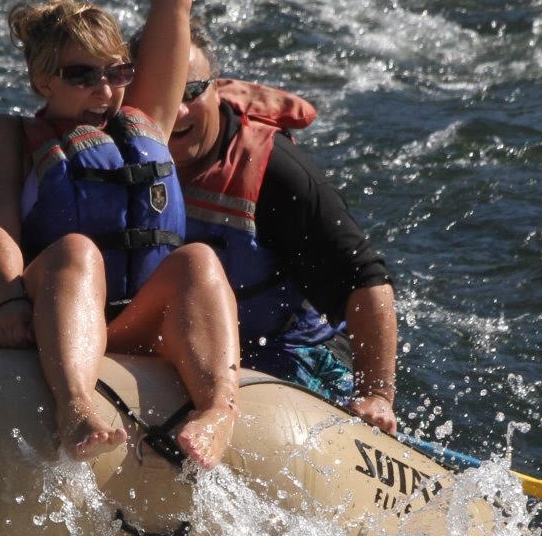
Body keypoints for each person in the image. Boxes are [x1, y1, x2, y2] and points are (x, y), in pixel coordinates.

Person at [0, 0, 239, 469]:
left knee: (198, 260)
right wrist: (8, 301)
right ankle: (77, 402)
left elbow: (173, 0)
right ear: (41, 79)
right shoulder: (12, 136)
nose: (106, 88)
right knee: (77, 250)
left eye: (115, 71)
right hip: (48, 311)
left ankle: (219, 407)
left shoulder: (147, 116)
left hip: (132, 319)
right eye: (82, 75)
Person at [154, 22, 400, 435]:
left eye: (191, 92)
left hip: (285, 351)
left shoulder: (277, 172)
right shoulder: (115, 153)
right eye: (163, 92)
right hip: (179, 344)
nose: (177, 111)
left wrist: (377, 396)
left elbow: (367, 281)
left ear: (216, 88)